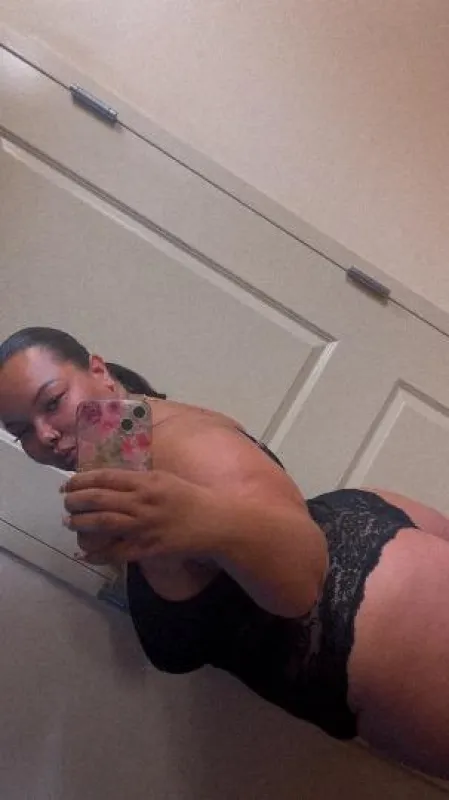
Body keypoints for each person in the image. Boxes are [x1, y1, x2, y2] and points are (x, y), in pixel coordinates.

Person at [0, 327, 448, 780]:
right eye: (22, 432)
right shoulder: (121, 441)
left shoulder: (183, 446)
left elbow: (300, 583)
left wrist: (207, 520)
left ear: (98, 370)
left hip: (384, 622)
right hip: (378, 585)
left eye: (52, 402)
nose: (46, 435)